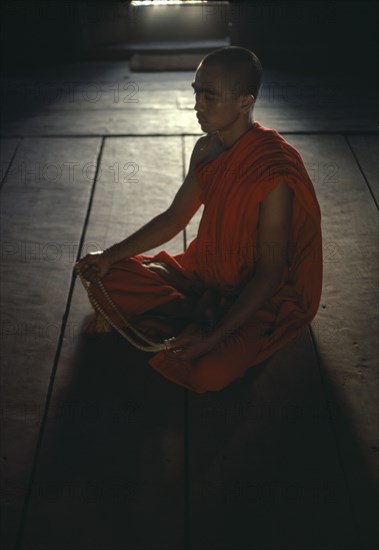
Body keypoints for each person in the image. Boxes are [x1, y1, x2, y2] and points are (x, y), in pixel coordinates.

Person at [74, 46, 323, 394]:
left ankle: (203, 321)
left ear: (244, 102)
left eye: (209, 96)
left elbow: (270, 272)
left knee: (209, 373)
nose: (197, 106)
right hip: (202, 275)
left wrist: (213, 338)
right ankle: (194, 311)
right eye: (196, 93)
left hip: (252, 295)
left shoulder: (273, 171)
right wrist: (110, 256)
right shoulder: (207, 149)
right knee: (104, 277)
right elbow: (176, 218)